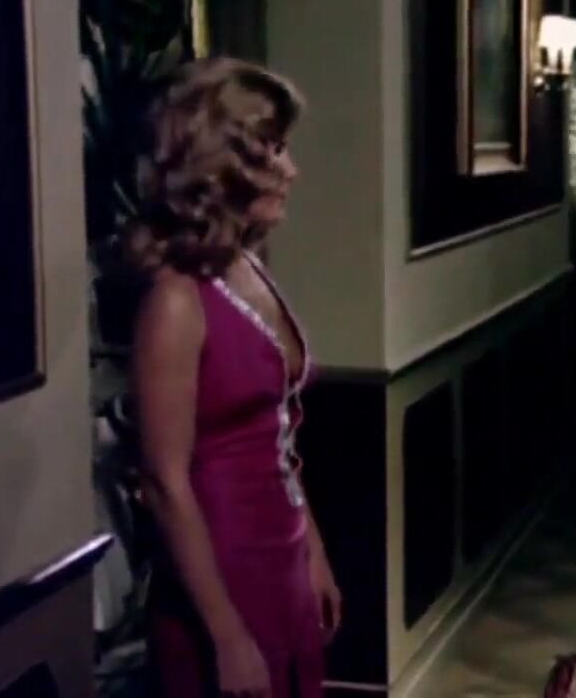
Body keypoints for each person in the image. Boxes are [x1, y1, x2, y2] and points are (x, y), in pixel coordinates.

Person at [128, 57, 340, 698]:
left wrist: (312, 549)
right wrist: (225, 636)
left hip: (279, 552)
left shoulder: (246, 266)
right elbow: (164, 482)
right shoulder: (175, 301)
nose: (292, 170)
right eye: (274, 151)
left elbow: (278, 437)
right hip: (221, 570)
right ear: (223, 165)